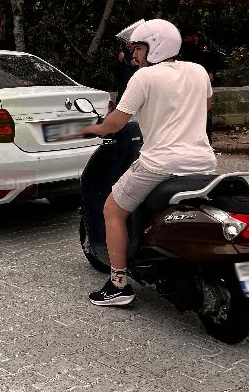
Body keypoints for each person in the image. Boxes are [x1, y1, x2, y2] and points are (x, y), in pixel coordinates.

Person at [81, 18, 216, 306]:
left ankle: (118, 283)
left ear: (155, 46)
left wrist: (91, 129)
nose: (134, 55)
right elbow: (203, 108)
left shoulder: (143, 78)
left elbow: (116, 123)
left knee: (113, 209)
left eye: (139, 48)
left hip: (159, 164)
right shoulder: (199, 71)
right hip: (204, 162)